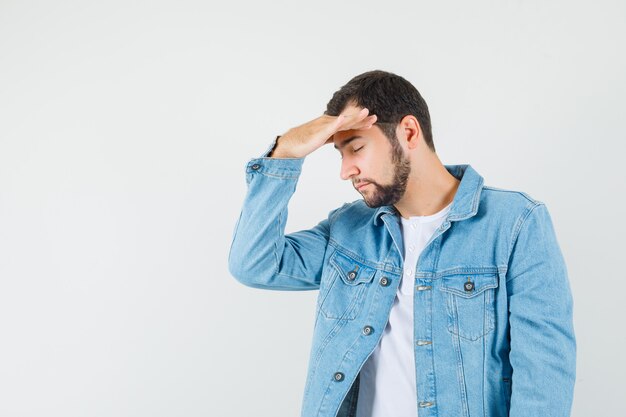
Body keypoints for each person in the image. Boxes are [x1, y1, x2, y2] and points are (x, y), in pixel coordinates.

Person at [228, 70, 576, 417]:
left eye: (357, 148)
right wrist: (285, 153)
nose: (346, 170)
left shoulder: (514, 223)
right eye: (340, 154)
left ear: (408, 132)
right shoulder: (349, 229)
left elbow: (544, 375)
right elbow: (255, 264)